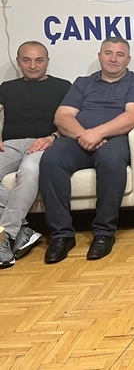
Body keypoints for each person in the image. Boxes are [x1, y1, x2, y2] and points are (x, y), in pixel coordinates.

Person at [40, 37, 134, 263]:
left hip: (115, 138)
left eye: (120, 54)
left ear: (128, 59)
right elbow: (62, 116)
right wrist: (84, 135)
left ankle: (104, 232)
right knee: (51, 159)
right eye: (108, 53)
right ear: (99, 56)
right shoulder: (83, 83)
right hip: (78, 137)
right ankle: (61, 235)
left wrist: (98, 133)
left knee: (111, 161)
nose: (113, 59)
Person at [0, 42, 70, 267]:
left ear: (47, 61)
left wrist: (53, 137)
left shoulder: (63, 86)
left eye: (39, 60)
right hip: (9, 145)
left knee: (29, 173)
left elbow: (71, 119)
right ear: (18, 62)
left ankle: (5, 237)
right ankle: (21, 230)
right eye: (26, 60)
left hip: (43, 144)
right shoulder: (6, 87)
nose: (32, 65)